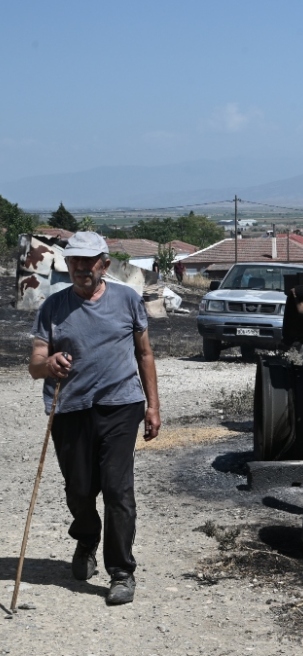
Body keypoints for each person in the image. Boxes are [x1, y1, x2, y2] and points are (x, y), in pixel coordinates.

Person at [28, 231, 161, 606]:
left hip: (121, 406)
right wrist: (49, 364)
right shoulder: (53, 307)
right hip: (70, 409)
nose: (81, 267)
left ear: (104, 264)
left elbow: (144, 354)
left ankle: (121, 572)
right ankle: (87, 539)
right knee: (80, 490)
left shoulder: (128, 299)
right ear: (67, 264)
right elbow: (35, 364)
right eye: (75, 260)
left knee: (118, 490)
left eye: (89, 261)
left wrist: (152, 406)